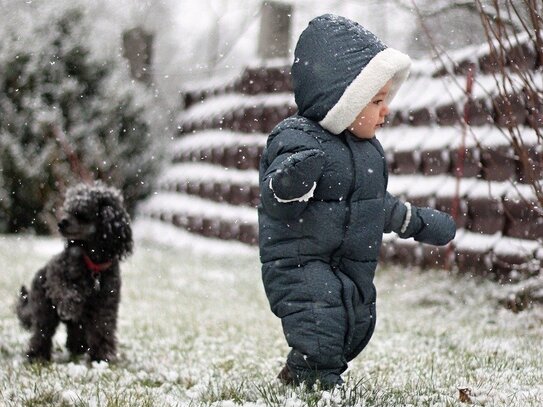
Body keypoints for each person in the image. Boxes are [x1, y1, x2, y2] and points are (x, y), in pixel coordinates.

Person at [258, 14, 456, 389]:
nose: (386, 110)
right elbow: (277, 200)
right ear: (342, 101)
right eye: (377, 100)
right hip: (300, 259)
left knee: (355, 321)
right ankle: (317, 383)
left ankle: (301, 371)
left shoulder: (367, 153)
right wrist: (293, 180)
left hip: (349, 261)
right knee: (321, 321)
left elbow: (372, 205)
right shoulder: (297, 139)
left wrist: (415, 221)